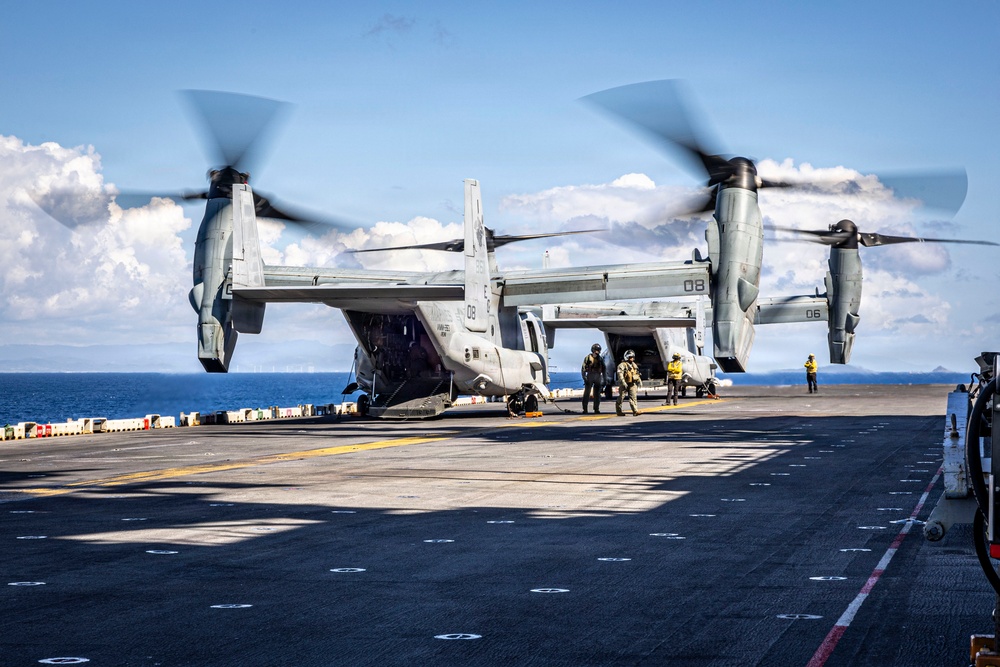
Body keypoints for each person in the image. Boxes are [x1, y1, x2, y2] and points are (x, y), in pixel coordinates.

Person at [616, 349, 642, 416]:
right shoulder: (622, 365)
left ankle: (635, 411)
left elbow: (637, 373)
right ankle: (618, 411)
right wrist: (623, 382)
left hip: (632, 383)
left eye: (633, 357)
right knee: (621, 397)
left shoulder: (634, 365)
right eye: (630, 357)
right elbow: (620, 374)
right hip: (624, 384)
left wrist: (639, 380)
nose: (632, 359)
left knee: (633, 397)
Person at [581, 343, 605, 414]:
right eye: (596, 350)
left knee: (597, 394)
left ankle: (596, 409)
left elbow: (604, 368)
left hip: (597, 376)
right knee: (587, 393)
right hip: (590, 376)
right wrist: (584, 377)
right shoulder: (588, 358)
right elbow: (583, 368)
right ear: (593, 350)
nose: (597, 352)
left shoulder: (600, 359)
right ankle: (585, 409)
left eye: (598, 350)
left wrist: (604, 378)